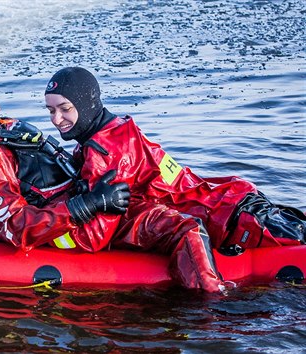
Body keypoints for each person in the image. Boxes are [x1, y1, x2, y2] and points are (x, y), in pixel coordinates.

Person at [44, 66, 306, 292]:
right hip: (234, 202)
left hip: (235, 221)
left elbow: (94, 238)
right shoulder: (113, 130)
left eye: (64, 108)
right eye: (50, 110)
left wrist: (44, 227)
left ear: (86, 103)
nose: (56, 119)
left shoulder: (107, 152)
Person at [0, 62, 130, 249]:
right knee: (154, 226)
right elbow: (20, 227)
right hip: (77, 225)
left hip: (84, 195)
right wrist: (89, 204)